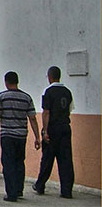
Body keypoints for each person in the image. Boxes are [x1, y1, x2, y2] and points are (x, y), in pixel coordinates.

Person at [0, 71, 41, 202]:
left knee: (8, 164)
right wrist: (37, 137)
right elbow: (32, 118)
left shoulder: (1, 97)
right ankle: (19, 190)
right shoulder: (26, 97)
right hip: (21, 135)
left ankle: (11, 193)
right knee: (19, 162)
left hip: (7, 135)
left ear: (6, 82)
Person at [33, 66, 75, 199]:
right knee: (66, 159)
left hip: (53, 128)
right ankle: (66, 190)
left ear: (49, 77)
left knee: (47, 158)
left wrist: (45, 131)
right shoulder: (67, 92)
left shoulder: (48, 92)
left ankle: (40, 185)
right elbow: (70, 109)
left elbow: (46, 112)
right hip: (65, 127)